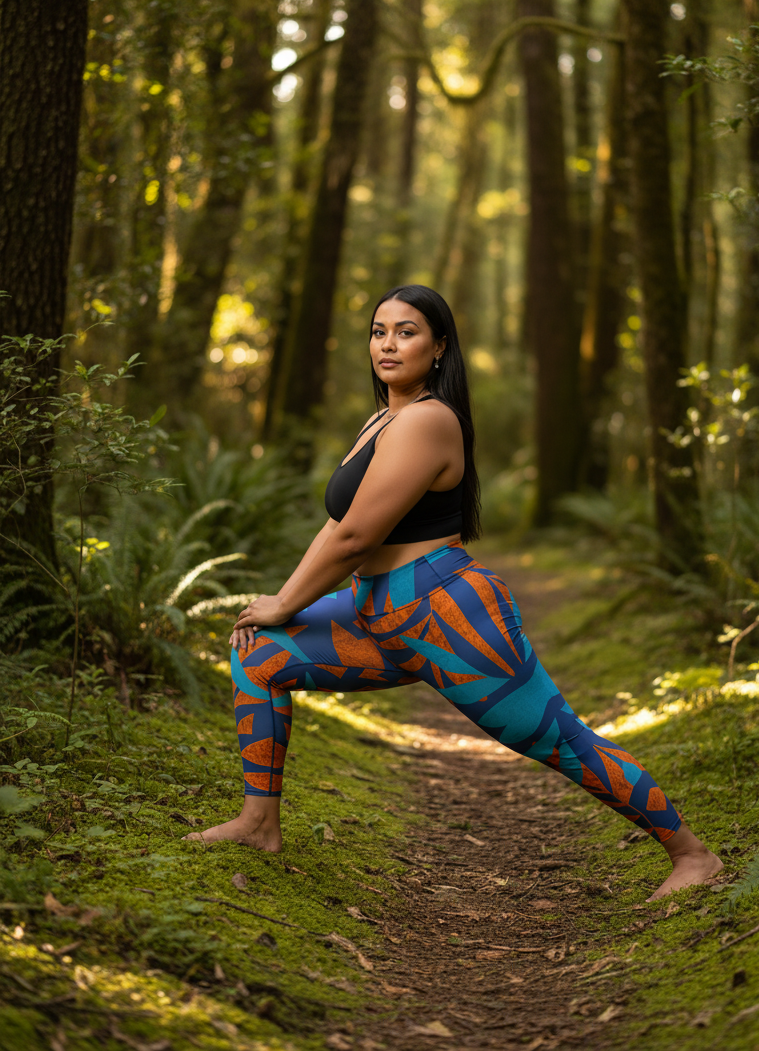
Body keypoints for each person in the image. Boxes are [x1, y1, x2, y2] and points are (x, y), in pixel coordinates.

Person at [185, 285, 722, 900]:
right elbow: (337, 525)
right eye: (378, 331)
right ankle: (258, 824)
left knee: (558, 740)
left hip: (446, 616)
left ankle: (692, 855)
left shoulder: (428, 420)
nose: (388, 344)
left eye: (406, 332)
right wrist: (283, 603)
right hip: (375, 610)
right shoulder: (382, 418)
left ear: (439, 347)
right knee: (258, 653)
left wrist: (285, 604)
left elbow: (358, 538)